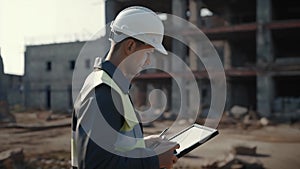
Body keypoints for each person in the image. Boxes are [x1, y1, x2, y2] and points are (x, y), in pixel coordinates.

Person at [71, 6, 179, 169]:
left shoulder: (112, 86)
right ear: (130, 47)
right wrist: (154, 161)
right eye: (148, 53)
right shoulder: (104, 92)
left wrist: (142, 144)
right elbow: (96, 165)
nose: (148, 62)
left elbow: (114, 144)